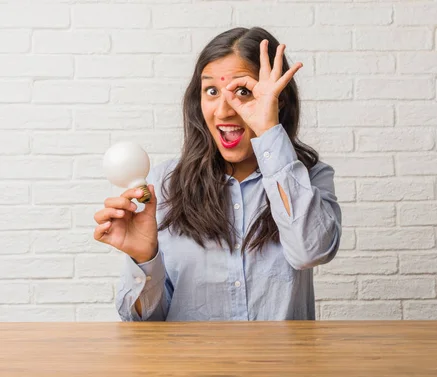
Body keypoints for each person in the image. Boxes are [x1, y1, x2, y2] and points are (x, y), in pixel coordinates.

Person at [93, 27, 342, 321]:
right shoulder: (163, 186)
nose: (224, 111)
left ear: (278, 100)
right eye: (211, 91)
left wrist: (268, 130)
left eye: (243, 92)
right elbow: (142, 322)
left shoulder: (308, 179)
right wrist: (144, 259)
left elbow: (311, 252)